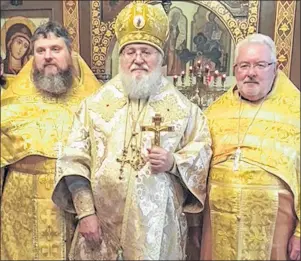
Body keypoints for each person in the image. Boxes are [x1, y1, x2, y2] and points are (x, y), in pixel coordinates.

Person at [51, 2, 212, 260]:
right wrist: (85, 213)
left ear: (160, 58)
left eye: (146, 51)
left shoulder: (185, 110)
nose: (138, 59)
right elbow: (73, 159)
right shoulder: (93, 105)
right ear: (121, 57)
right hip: (101, 224)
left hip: (157, 230)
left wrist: (173, 162)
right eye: (130, 52)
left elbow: (201, 154)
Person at [0, 21, 102, 260]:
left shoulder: (93, 103)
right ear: (32, 57)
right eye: (40, 50)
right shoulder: (13, 101)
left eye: (55, 49)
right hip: (20, 211)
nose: (48, 56)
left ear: (70, 53)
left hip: (74, 209)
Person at [201, 33, 300, 260]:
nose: (251, 73)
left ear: (275, 69)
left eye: (260, 65)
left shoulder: (296, 112)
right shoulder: (214, 114)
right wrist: (196, 225)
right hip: (218, 227)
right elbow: (198, 173)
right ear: (235, 70)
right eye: (244, 65)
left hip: (276, 233)